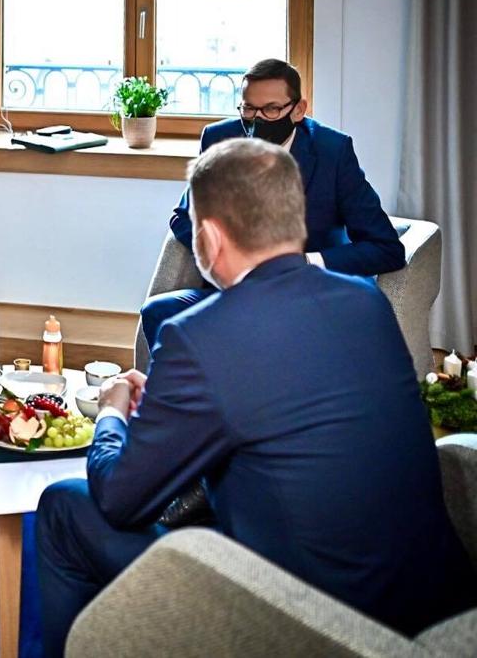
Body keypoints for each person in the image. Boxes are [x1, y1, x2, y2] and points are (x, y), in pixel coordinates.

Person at [36, 138, 475, 658]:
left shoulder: (197, 337)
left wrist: (113, 409)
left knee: (64, 506)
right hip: (439, 608)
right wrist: (180, 408)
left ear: (210, 238)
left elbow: (118, 500)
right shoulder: (366, 302)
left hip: (314, 624)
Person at [140, 58, 405, 353]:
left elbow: (386, 249)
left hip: (305, 296)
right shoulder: (219, 138)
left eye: (271, 110)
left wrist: (305, 262)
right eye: (248, 109)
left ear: (298, 110)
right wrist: (231, 254)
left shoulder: (332, 151)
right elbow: (183, 217)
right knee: (159, 311)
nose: (257, 119)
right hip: (234, 293)